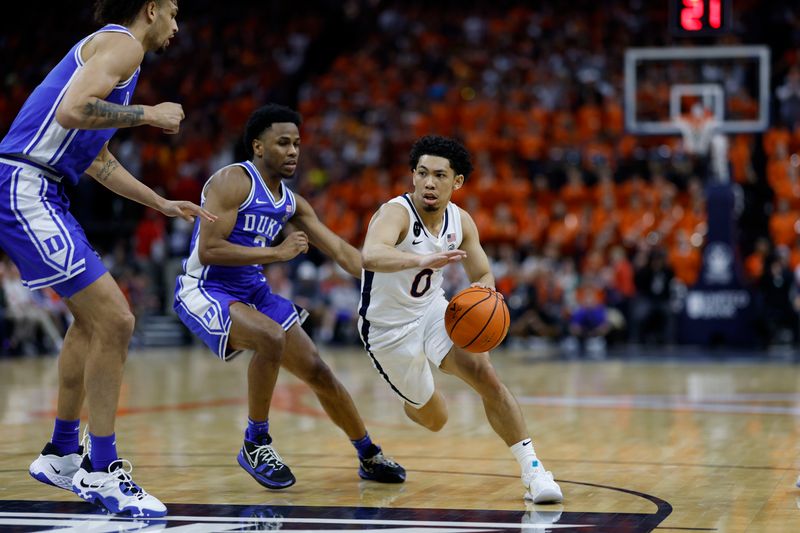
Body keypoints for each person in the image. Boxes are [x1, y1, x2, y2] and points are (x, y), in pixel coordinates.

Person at [0, 0, 215, 518]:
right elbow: (72, 110)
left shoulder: (117, 58)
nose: (177, 26)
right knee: (117, 320)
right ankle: (100, 467)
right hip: (25, 184)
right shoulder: (122, 44)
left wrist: (159, 201)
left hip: (43, 187)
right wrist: (148, 114)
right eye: (174, 13)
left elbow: (95, 156)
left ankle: (59, 453)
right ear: (152, 9)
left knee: (91, 323)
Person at [173, 103, 405, 490]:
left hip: (252, 292)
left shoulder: (291, 203)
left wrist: (401, 277)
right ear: (258, 147)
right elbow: (208, 249)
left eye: (297, 143)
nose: (294, 151)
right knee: (270, 337)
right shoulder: (233, 181)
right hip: (206, 287)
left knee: (318, 371)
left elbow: (346, 255)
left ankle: (368, 454)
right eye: (283, 143)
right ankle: (255, 442)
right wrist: (276, 254)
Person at [358, 135, 563, 503]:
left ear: (457, 182)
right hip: (387, 331)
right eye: (422, 173)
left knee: (485, 374)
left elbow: (483, 274)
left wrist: (483, 297)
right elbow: (371, 255)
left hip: (433, 310)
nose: (429, 182)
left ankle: (534, 472)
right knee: (436, 418)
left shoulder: (461, 221)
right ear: (413, 176)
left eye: (439, 175)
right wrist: (419, 260)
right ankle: (409, 396)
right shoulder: (396, 213)